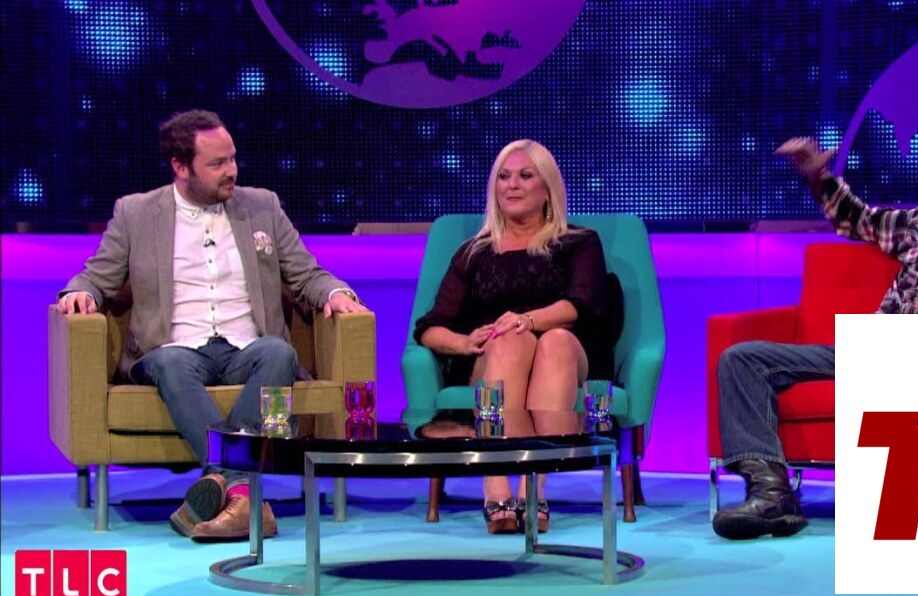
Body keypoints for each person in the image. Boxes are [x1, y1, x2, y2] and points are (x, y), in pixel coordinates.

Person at [713, 121, 918, 541]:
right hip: (872, 351)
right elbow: (855, 219)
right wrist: (818, 176)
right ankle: (772, 497)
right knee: (742, 359)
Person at [56, 110, 367, 541]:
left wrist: (335, 293)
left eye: (232, 158)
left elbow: (306, 273)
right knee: (171, 364)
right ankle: (244, 492)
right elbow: (98, 275)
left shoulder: (262, 206)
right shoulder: (136, 213)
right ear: (181, 167)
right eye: (217, 163)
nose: (231, 170)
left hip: (247, 349)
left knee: (279, 353)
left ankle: (223, 489)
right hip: (174, 350)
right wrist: (81, 292)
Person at [414, 139, 613, 534]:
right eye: (503, 177)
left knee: (553, 340)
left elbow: (581, 303)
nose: (512, 185)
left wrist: (528, 320)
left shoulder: (579, 241)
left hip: (565, 354)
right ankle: (495, 482)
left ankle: (531, 488)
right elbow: (429, 327)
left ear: (548, 188)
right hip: (494, 356)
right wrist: (464, 342)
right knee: (509, 340)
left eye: (525, 175)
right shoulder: (473, 252)